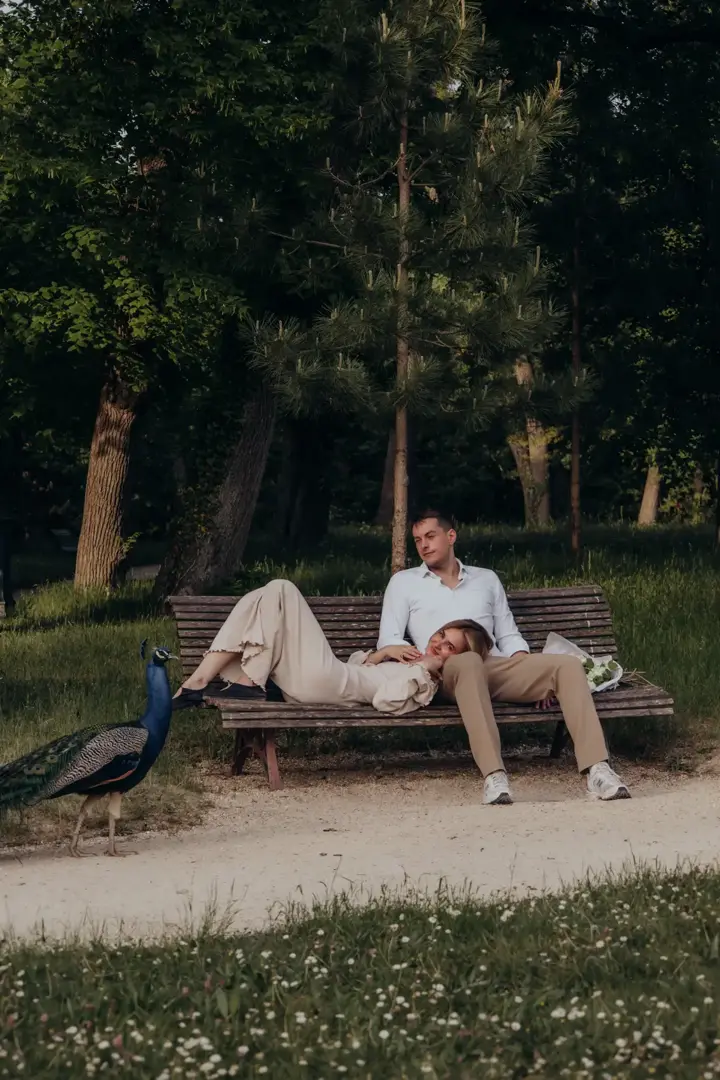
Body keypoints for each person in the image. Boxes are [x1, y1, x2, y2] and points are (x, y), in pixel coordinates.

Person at [377, 509, 631, 805]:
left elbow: (508, 635)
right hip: (445, 672)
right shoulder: (404, 582)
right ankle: (494, 775)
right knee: (468, 662)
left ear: (451, 536)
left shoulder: (486, 579)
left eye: (430, 536)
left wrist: (531, 674)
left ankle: (597, 769)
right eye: (418, 539)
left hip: (494, 666)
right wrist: (423, 659)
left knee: (566, 666)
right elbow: (390, 639)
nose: (423, 545)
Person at [172, 577, 492, 717]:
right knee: (262, 596)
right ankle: (197, 682)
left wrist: (425, 668)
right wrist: (381, 655)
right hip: (322, 678)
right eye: (441, 635)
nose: (438, 644)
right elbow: (359, 668)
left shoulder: (426, 682)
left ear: (461, 660)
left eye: (449, 647)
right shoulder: (408, 657)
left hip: (326, 683)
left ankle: (249, 682)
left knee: (282, 589)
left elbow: (383, 700)